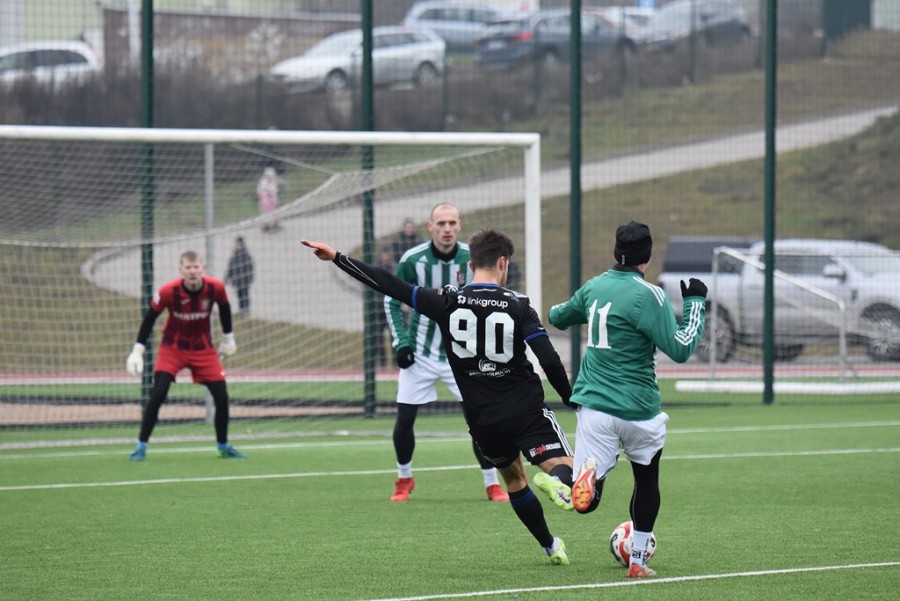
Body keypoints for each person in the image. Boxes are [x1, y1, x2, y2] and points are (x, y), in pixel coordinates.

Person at [301, 228, 576, 565]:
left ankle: (550, 545)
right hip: (525, 410)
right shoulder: (519, 305)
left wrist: (338, 258)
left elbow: (389, 285)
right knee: (569, 469)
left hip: (483, 419)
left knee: (515, 480)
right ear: (502, 263)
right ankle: (555, 477)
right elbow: (549, 360)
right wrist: (571, 398)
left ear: (471, 265)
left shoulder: (447, 302)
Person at [547, 221, 707, 579]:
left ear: (615, 251)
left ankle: (589, 477)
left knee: (586, 503)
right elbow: (681, 348)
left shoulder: (594, 287)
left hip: (596, 406)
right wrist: (696, 302)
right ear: (646, 257)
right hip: (639, 408)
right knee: (646, 481)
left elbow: (558, 316)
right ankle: (637, 561)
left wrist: (566, 309)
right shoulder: (650, 296)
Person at [384, 203, 508, 503]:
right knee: (404, 421)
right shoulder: (413, 260)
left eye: (452, 223)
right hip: (421, 355)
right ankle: (404, 478)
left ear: (460, 225)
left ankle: (492, 483)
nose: (447, 229)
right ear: (431, 227)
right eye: (441, 223)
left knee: (480, 421)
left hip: (462, 357)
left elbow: (489, 300)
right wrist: (401, 342)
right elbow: (391, 300)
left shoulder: (472, 258)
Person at [125, 250, 246, 461]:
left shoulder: (215, 288)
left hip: (203, 349)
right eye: (188, 268)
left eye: (196, 267)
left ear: (203, 269)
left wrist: (229, 338)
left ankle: (223, 446)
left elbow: (225, 308)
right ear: (181, 270)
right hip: (173, 348)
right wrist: (137, 350)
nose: (192, 271)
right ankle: (141, 446)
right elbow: (150, 319)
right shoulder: (168, 291)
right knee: (158, 392)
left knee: (222, 396)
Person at [225, 236, 254, 317]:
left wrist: (249, 279)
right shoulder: (234, 256)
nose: (237, 246)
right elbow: (230, 268)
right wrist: (226, 278)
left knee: (245, 296)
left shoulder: (246, 256)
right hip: (237, 282)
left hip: (244, 281)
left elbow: (250, 269)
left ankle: (245, 310)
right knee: (240, 296)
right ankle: (242, 311)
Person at [257, 166, 281, 232]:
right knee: (266, 213)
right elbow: (261, 190)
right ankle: (267, 226)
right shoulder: (263, 182)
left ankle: (273, 225)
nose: (270, 177)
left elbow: (274, 190)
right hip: (266, 200)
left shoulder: (273, 181)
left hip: (272, 199)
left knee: (274, 212)